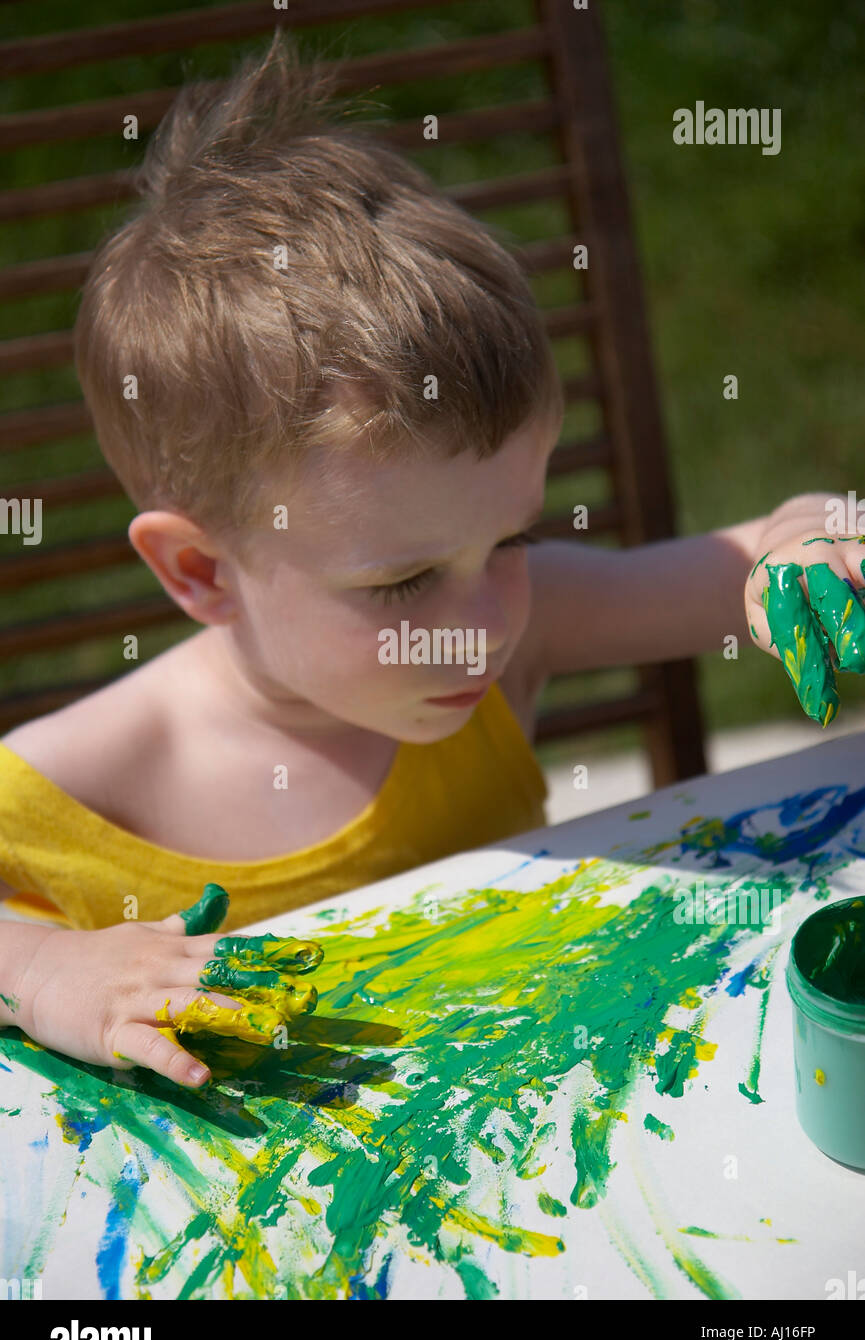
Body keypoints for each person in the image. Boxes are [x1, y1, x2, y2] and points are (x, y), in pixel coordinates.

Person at [0, 33, 856, 1087]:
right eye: (400, 582)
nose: (483, 622)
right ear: (200, 574)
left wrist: (805, 539)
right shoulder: (81, 788)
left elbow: (752, 556)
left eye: (513, 541)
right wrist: (43, 967)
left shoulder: (520, 632)